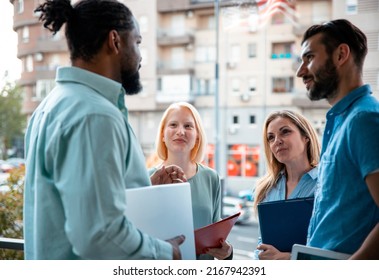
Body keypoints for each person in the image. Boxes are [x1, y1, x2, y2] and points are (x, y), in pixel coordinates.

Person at [24, 0, 187, 260]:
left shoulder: (49, 107)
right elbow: (98, 235)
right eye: (137, 42)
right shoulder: (95, 115)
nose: (140, 55)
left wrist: (141, 186)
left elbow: (73, 200)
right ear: (115, 40)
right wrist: (166, 253)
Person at [296, 19, 379, 259]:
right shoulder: (341, 120)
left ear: (341, 54)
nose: (301, 71)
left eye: (309, 58)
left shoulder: (365, 120)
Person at [149, 102, 233, 260]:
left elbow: (217, 233)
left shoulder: (211, 178)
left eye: (188, 126)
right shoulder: (148, 179)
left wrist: (227, 252)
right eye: (173, 125)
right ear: (162, 134)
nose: (180, 132)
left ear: (197, 136)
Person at [253, 110, 321, 260]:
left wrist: (289, 258)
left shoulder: (325, 183)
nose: (277, 141)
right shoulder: (267, 188)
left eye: (285, 132)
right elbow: (261, 244)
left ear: (306, 137)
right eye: (271, 138)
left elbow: (330, 247)